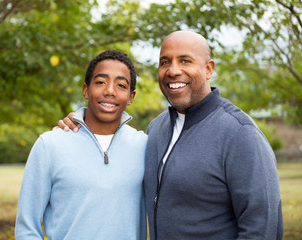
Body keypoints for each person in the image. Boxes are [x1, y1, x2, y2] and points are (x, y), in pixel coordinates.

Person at [57, 31, 284, 239]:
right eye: (165, 62)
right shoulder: (156, 129)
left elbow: (263, 228)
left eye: (185, 60)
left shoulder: (239, 134)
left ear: (208, 69)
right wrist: (81, 125)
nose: (173, 70)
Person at [15, 50, 148, 240]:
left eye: (120, 85)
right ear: (86, 90)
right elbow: (26, 228)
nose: (109, 90)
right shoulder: (50, 145)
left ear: (131, 97)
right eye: (101, 82)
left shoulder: (145, 146)